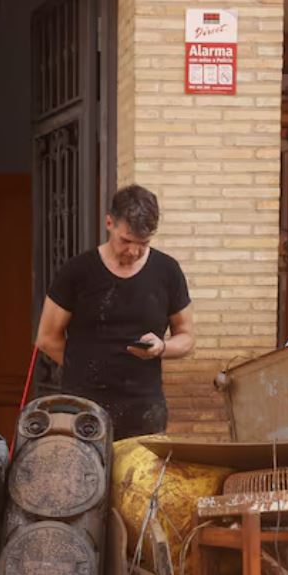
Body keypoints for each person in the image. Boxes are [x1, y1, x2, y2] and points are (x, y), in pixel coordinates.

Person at [35, 184, 196, 440]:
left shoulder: (167, 271)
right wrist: (87, 367)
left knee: (142, 481)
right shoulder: (77, 272)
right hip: (84, 410)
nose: (133, 251)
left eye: (143, 243)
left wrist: (162, 348)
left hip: (144, 409)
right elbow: (46, 338)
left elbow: (187, 337)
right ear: (109, 223)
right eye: (126, 241)